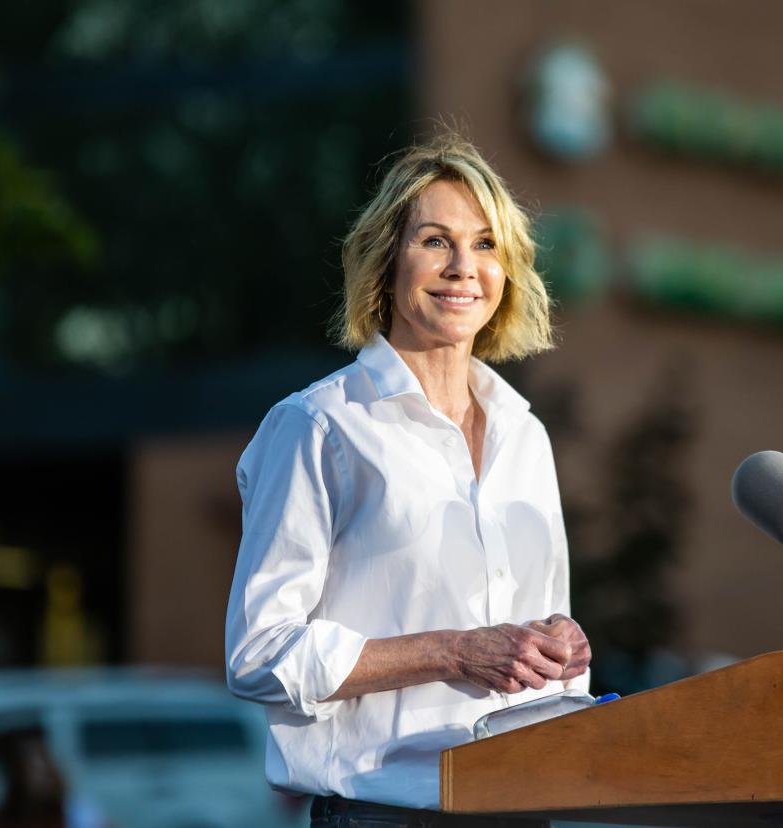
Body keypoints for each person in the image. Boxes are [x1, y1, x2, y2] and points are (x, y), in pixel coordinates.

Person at [224, 133, 591, 827]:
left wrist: (559, 647)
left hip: (524, 805)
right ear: (386, 260)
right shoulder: (319, 426)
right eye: (435, 240)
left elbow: (540, 627)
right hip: (385, 812)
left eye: (486, 245)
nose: (463, 267)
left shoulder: (526, 435)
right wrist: (455, 650)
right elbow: (258, 654)